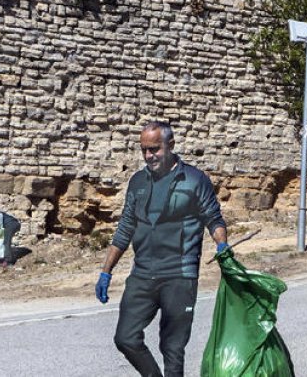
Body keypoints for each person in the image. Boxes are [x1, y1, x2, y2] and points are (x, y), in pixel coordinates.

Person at [95, 121, 229, 377]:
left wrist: (222, 245)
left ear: (171, 146)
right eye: (144, 150)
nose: (148, 156)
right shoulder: (138, 182)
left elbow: (214, 219)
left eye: (154, 149)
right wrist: (106, 271)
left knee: (172, 349)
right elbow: (125, 228)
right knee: (125, 338)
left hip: (180, 275)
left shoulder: (194, 180)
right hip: (143, 274)